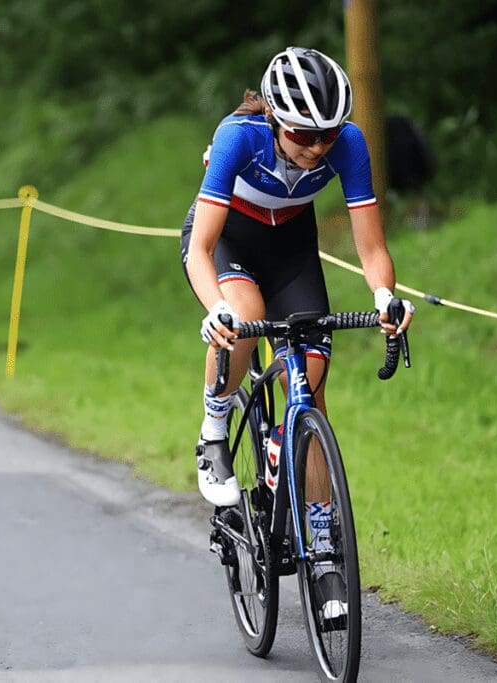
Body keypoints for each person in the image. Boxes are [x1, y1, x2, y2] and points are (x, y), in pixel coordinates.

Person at [181, 47, 415, 620]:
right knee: (244, 311)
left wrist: (385, 297)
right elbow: (200, 249)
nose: (316, 147)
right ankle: (214, 432)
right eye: (302, 134)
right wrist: (216, 308)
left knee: (310, 386)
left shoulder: (350, 144)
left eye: (327, 135)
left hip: (291, 249)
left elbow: (372, 247)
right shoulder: (239, 137)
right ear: (273, 121)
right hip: (229, 240)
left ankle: (326, 555)